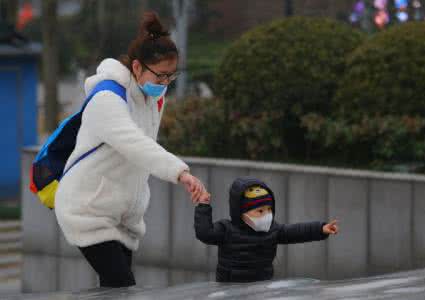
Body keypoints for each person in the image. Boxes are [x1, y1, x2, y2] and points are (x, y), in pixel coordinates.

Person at [55, 11, 207, 288]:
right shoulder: (106, 99)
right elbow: (136, 145)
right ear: (137, 67)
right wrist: (181, 173)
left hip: (122, 215)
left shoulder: (151, 100)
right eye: (160, 76)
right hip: (87, 209)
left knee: (115, 290)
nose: (164, 85)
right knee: (122, 285)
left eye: (171, 78)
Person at [194, 177, 338, 283]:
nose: (266, 215)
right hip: (230, 289)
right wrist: (203, 206)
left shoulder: (272, 230)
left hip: (262, 287)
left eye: (269, 210)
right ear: (240, 212)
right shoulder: (226, 230)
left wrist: (320, 229)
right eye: (260, 211)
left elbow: (296, 232)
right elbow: (205, 233)